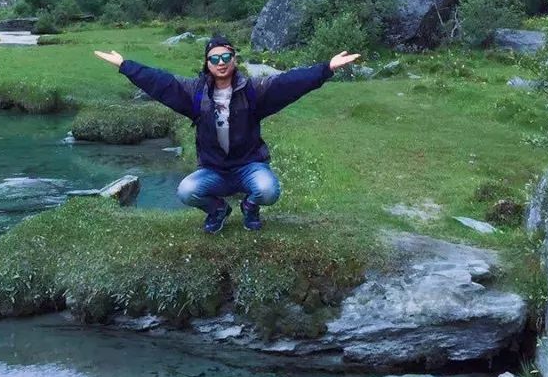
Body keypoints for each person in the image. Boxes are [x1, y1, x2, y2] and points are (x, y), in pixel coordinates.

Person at [94, 35, 359, 232]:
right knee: (187, 191)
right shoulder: (194, 92)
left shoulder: (254, 89)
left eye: (225, 58)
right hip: (214, 171)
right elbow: (160, 82)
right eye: (214, 59)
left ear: (234, 59)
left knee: (269, 190)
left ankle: (250, 207)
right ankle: (218, 209)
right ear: (207, 63)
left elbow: (289, 83)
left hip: (249, 167)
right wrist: (125, 65)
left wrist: (326, 69)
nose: (220, 63)